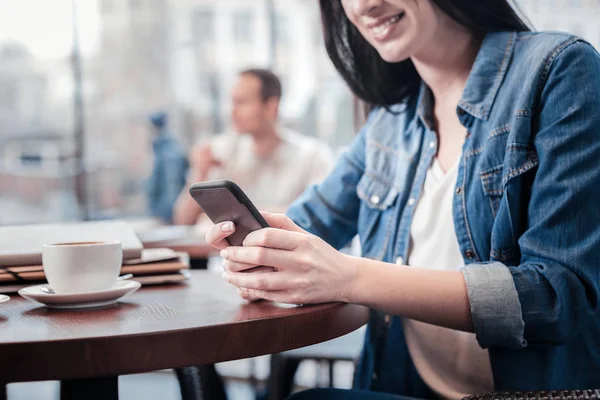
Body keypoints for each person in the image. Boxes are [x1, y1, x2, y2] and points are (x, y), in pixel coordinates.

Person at [204, 0, 600, 399]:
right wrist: (260, 252)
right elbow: (310, 221)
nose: (365, 5)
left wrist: (349, 277)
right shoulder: (391, 120)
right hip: (409, 384)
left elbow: (558, 298)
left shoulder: (559, 70)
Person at [173, 68, 335, 225]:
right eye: (232, 102)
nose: (232, 112)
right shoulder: (220, 153)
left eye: (242, 102)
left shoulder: (312, 155)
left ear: (271, 106)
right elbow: (183, 220)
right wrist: (200, 174)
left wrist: (230, 216)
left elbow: (320, 216)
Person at [146, 111, 189, 223]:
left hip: (168, 215)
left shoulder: (169, 151)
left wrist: (167, 214)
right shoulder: (159, 149)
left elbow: (172, 184)